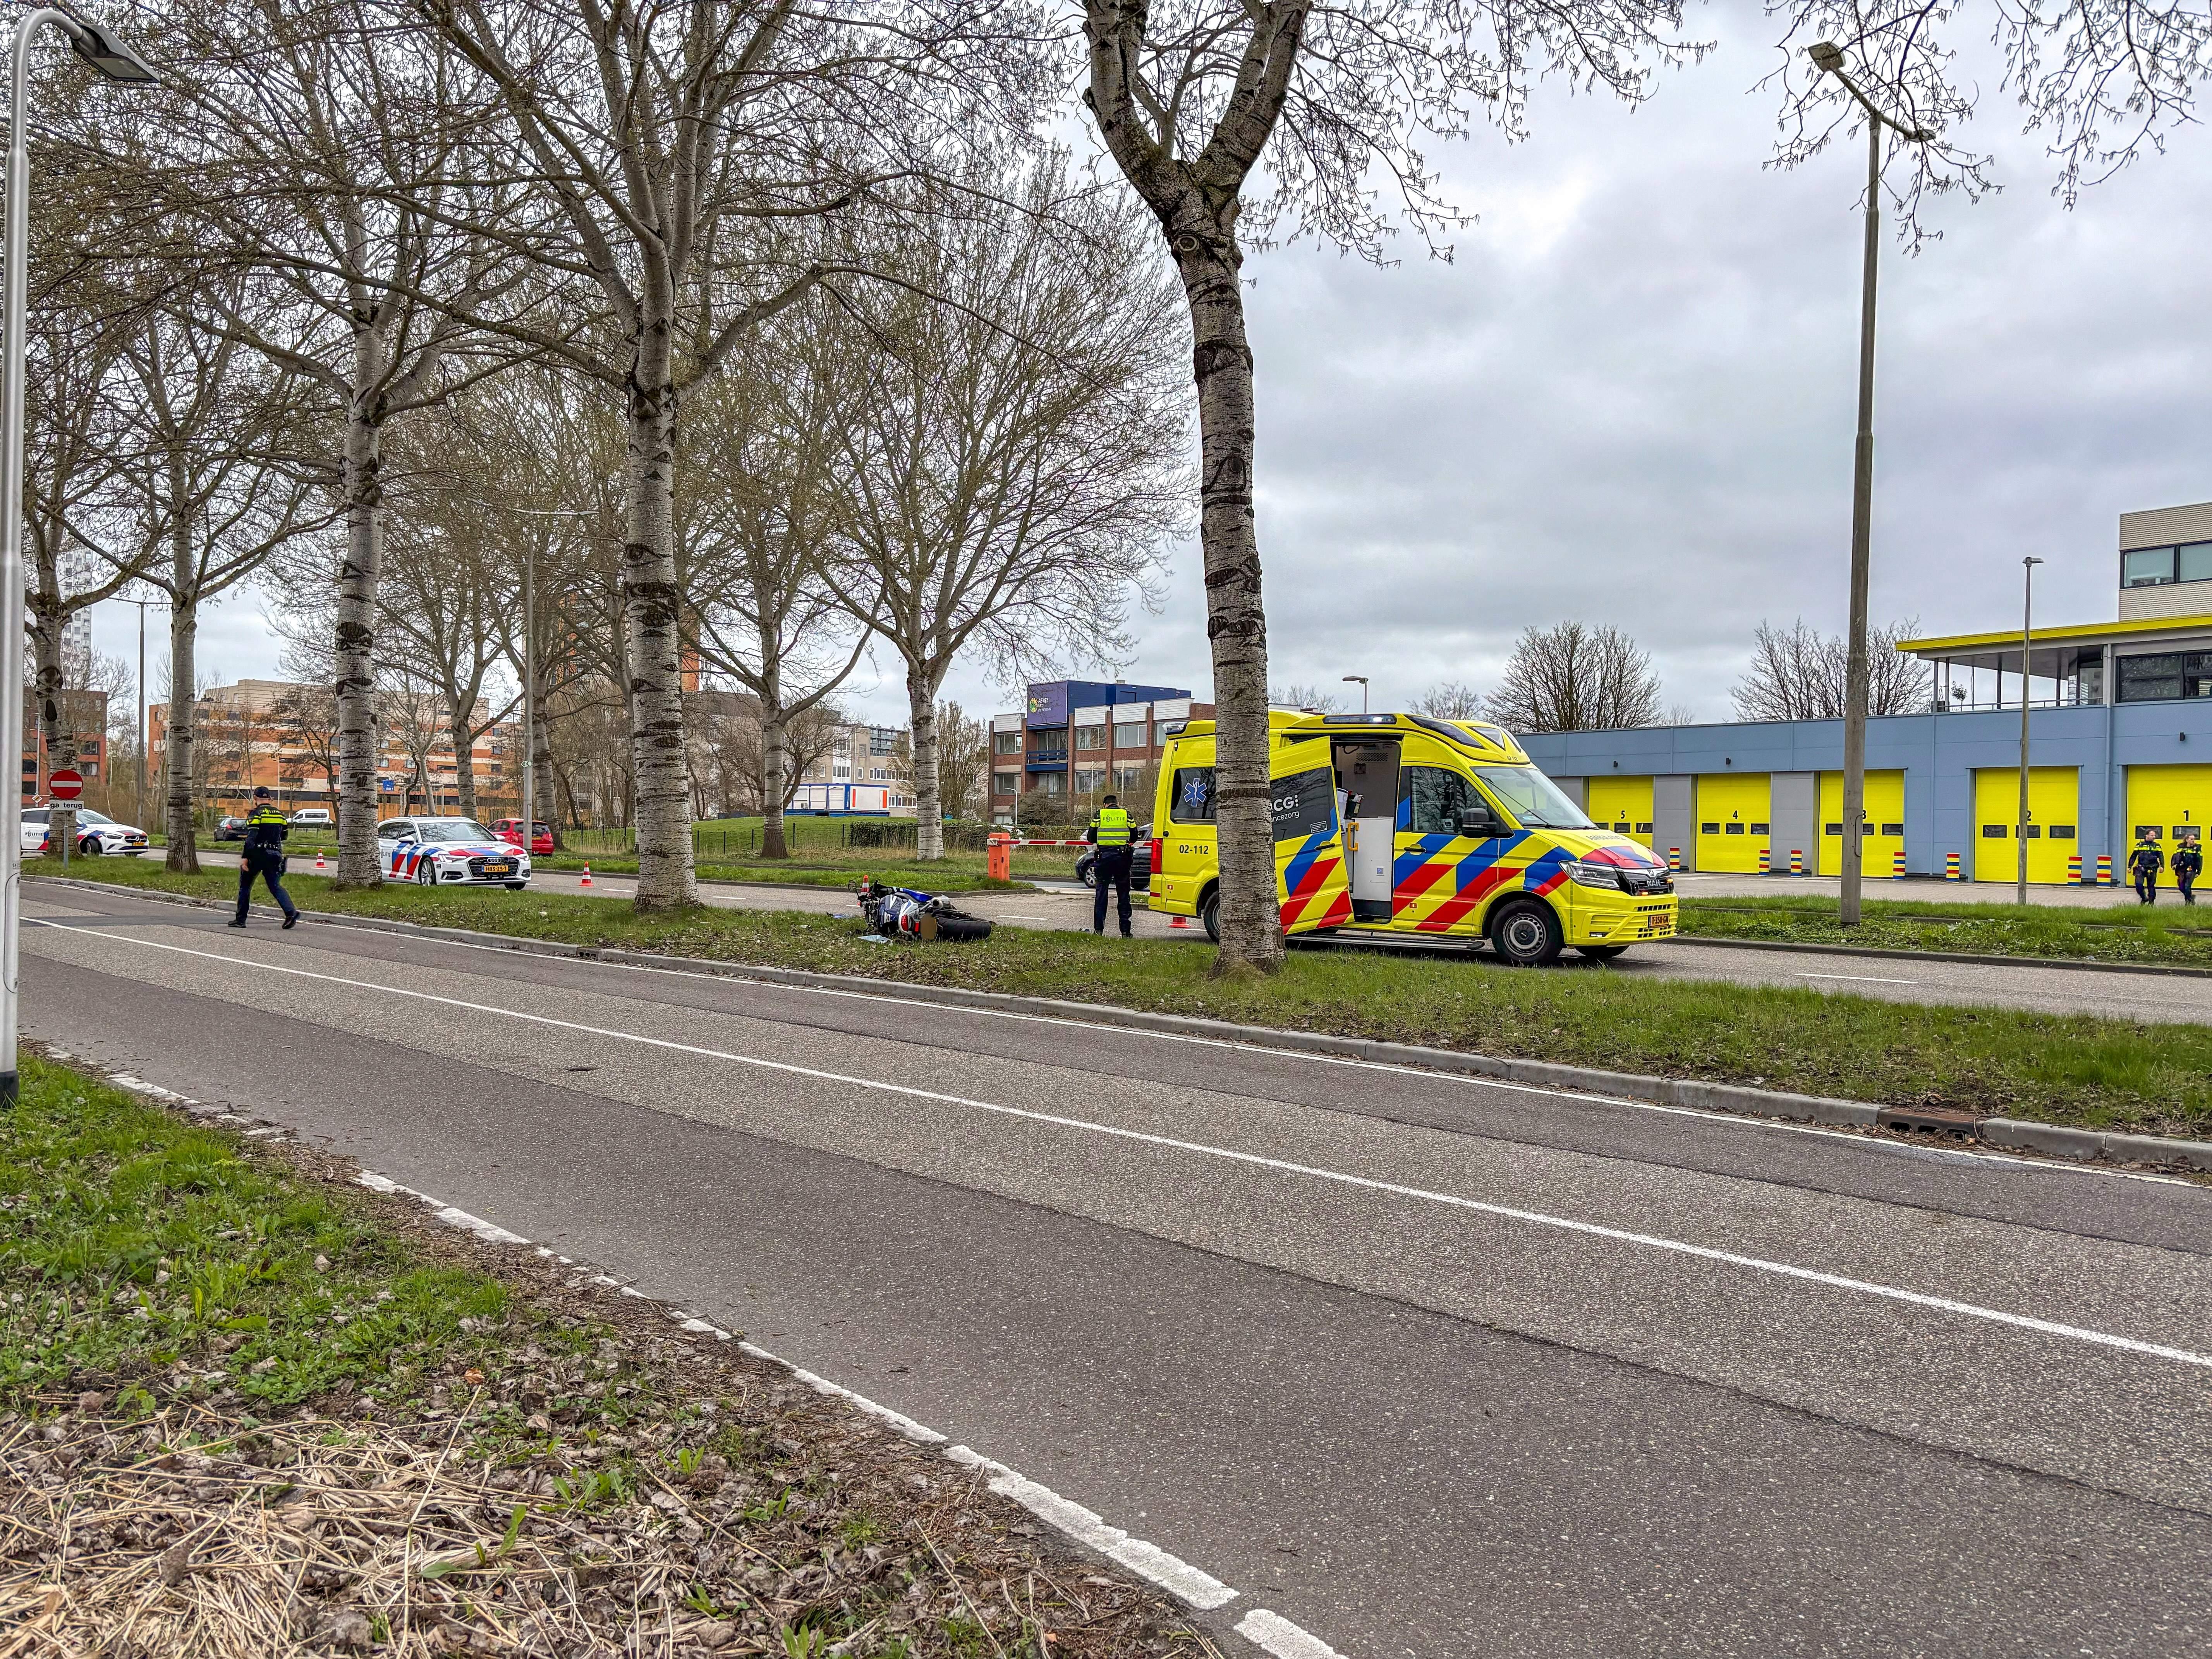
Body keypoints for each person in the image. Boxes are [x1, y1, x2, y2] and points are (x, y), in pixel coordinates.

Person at [232, 786, 299, 929]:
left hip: (258, 854)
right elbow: (284, 836)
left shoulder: (256, 814)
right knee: (275, 886)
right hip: (275, 854)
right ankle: (291, 913)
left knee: (245, 886)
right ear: (269, 798)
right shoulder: (280, 814)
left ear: (255, 798)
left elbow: (251, 838)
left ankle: (241, 920)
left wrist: (245, 859)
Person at [1087, 793, 1134, 938]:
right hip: (1123, 859)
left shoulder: (1099, 815)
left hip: (1104, 858)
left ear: (1105, 805)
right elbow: (1134, 836)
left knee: (1101, 894)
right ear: (1117, 803)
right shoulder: (1127, 815)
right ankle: (1126, 932)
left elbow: (1091, 838)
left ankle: (1099, 931)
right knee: (1124, 895)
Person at [2128, 834, 2164, 906]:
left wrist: (2162, 866)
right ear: (2147, 836)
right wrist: (2130, 866)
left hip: (2152, 868)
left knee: (2151, 886)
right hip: (2141, 868)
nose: (2154, 837)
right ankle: (2144, 898)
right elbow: (2134, 856)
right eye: (2152, 835)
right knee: (2138, 884)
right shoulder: (2140, 845)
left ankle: (2151, 902)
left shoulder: (2157, 846)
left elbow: (2161, 856)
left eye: (2154, 835)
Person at [2174, 836, 2203, 906]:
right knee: (2181, 887)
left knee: (2187, 886)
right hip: (2182, 870)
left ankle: (2188, 902)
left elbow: (2200, 861)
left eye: (2194, 839)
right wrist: (2174, 864)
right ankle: (2190, 897)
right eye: (2191, 839)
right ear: (2187, 840)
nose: (2193, 840)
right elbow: (2175, 857)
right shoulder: (2181, 847)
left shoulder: (2197, 849)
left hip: (2191, 870)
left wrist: (2198, 872)